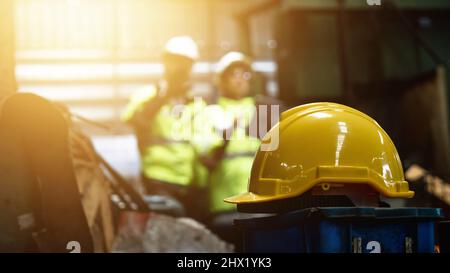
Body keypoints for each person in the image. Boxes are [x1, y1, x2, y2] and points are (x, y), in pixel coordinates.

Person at [122, 36, 208, 220]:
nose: (180, 68)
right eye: (175, 62)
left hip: (190, 183)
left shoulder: (195, 103)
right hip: (158, 180)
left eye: (185, 64)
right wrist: (161, 98)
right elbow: (134, 119)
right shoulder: (146, 96)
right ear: (165, 62)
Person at [201, 51, 261, 245]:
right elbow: (205, 155)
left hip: (257, 203)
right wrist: (227, 131)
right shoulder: (210, 113)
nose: (239, 80)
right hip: (224, 204)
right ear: (221, 80)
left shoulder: (260, 111)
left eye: (244, 75)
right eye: (233, 75)